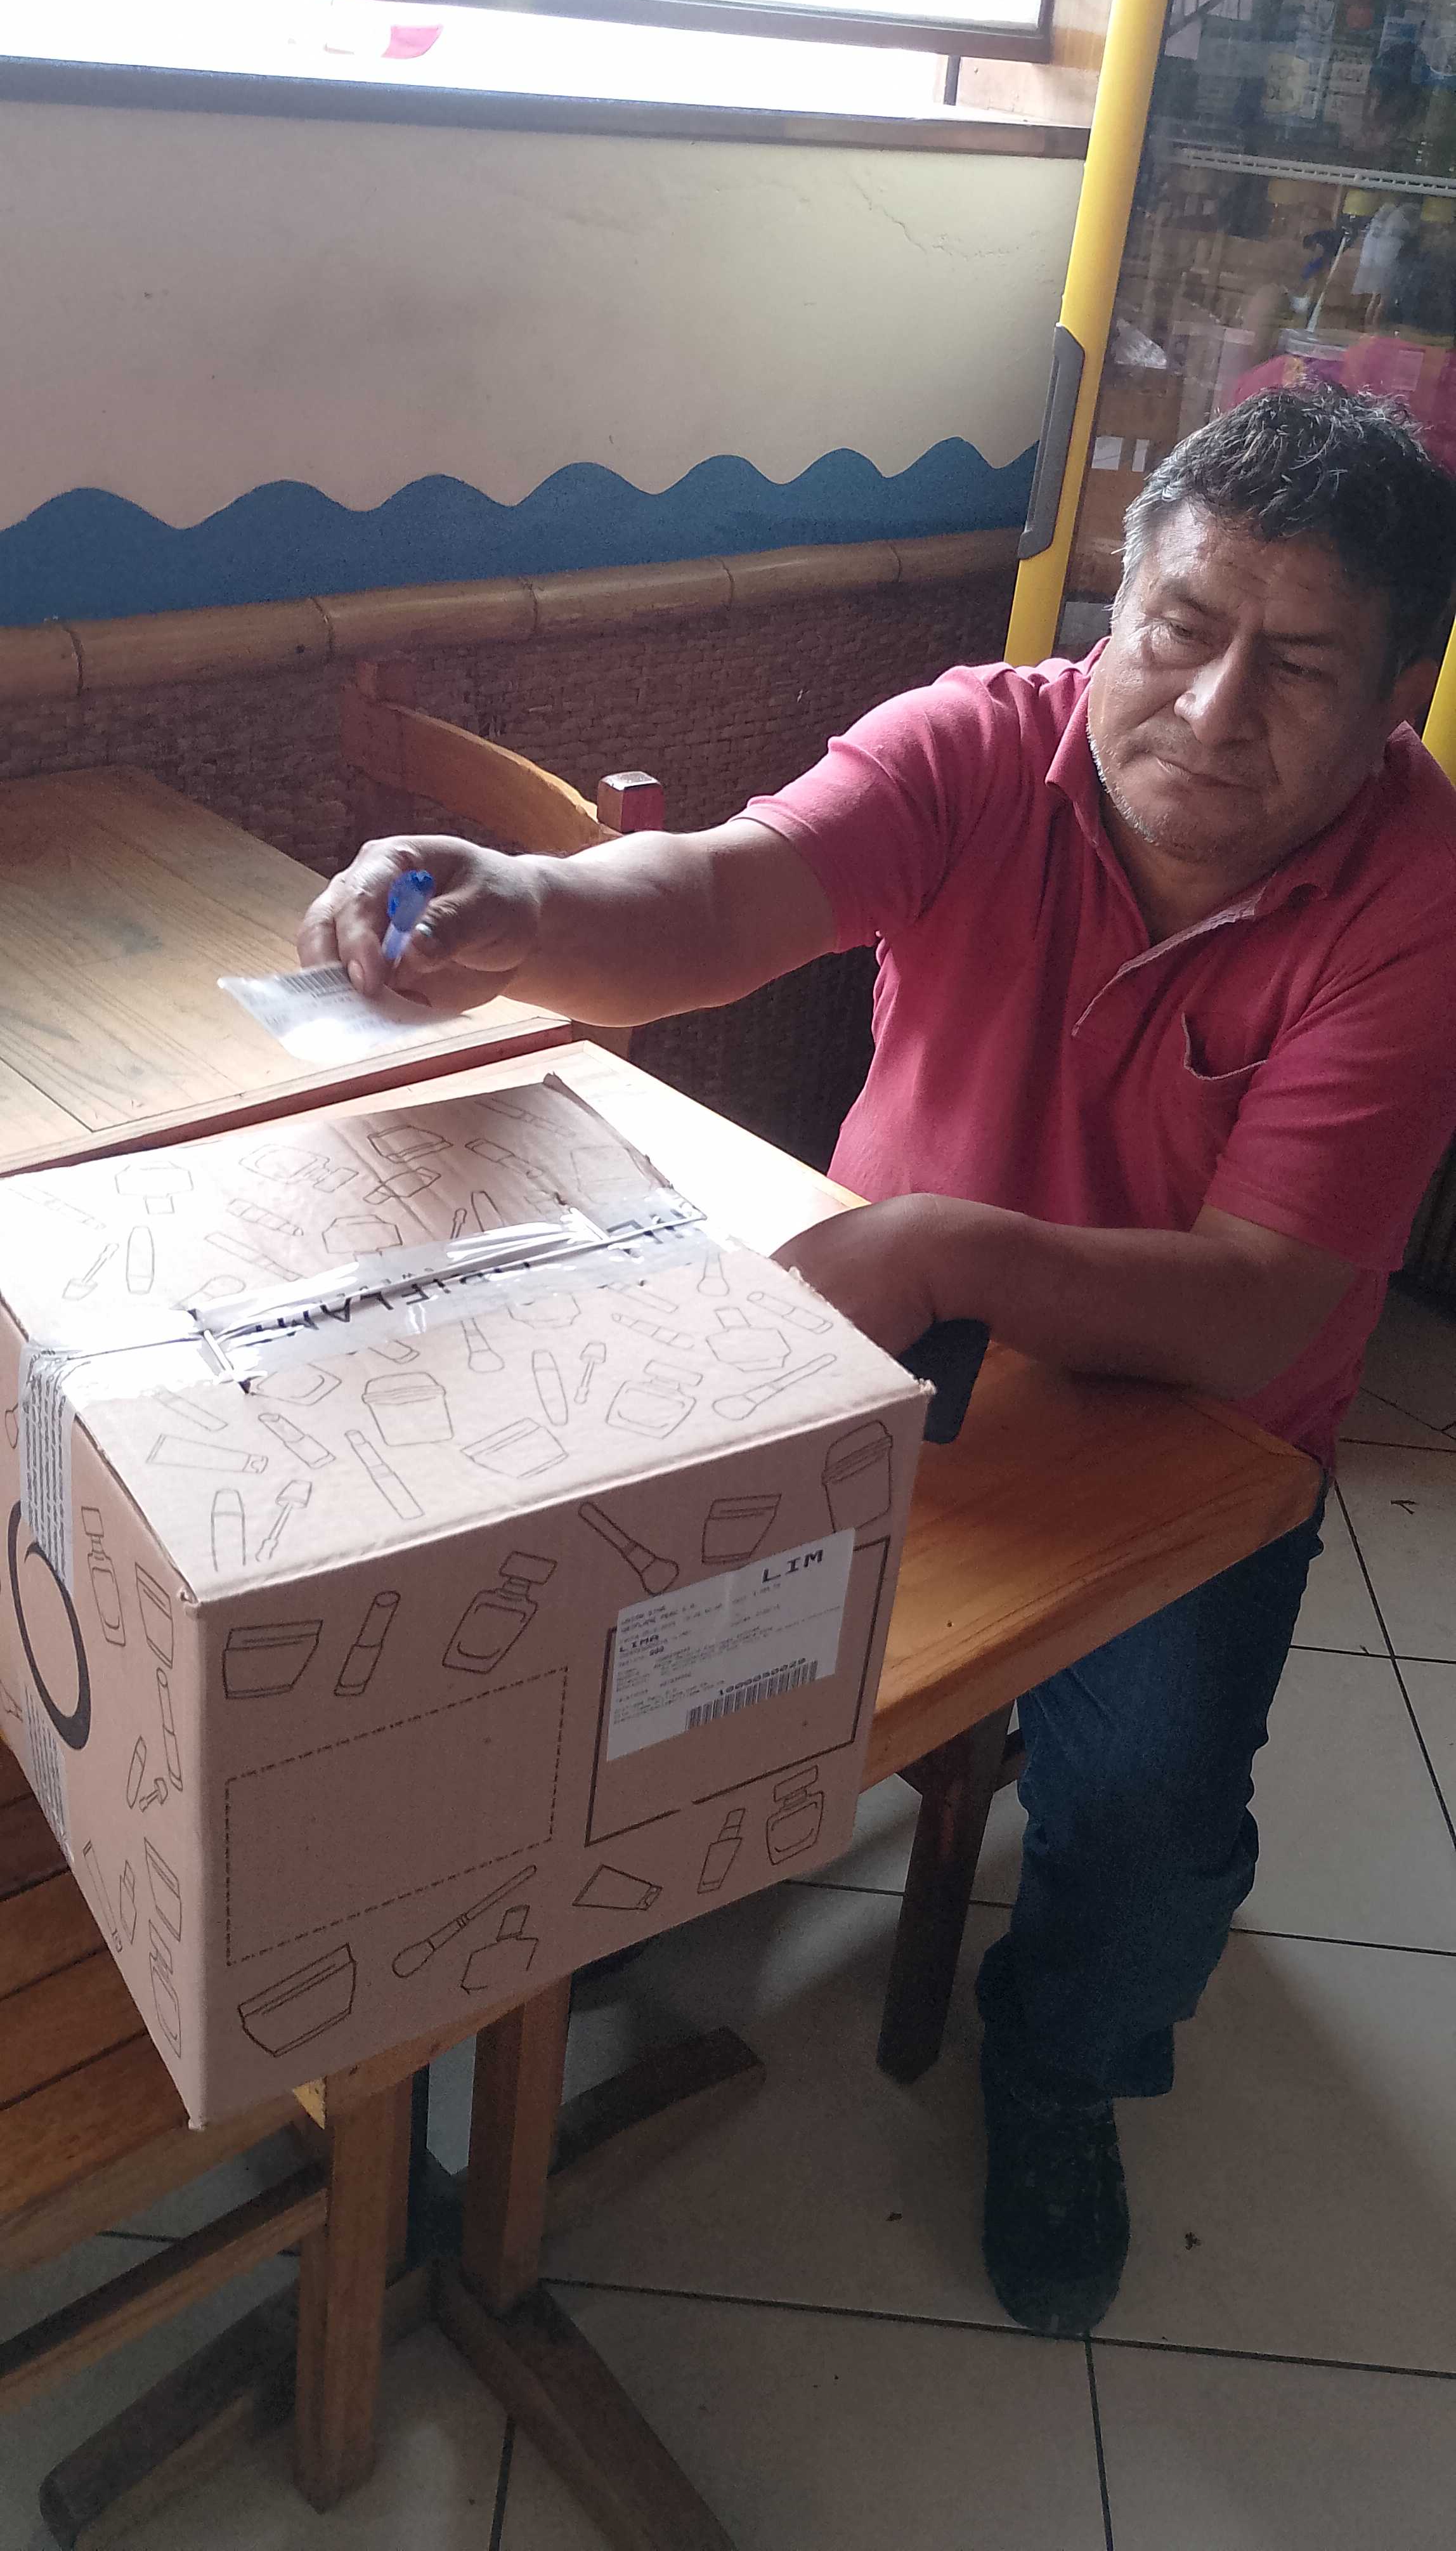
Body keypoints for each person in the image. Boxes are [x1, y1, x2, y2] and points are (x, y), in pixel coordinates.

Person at [300, 387, 1456, 2339]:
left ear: (1400, 701)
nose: (1211, 707)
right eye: (1181, 629)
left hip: (1199, 1428)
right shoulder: (980, 743)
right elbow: (719, 896)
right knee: (645, 1631)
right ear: (1116, 609)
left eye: (1299, 667)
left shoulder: (1423, 900)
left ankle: (1064, 2061)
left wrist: (939, 1247)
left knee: (1151, 1818)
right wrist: (520, 905)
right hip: (881, 1339)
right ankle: (639, 1888)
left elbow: (1259, 1303)